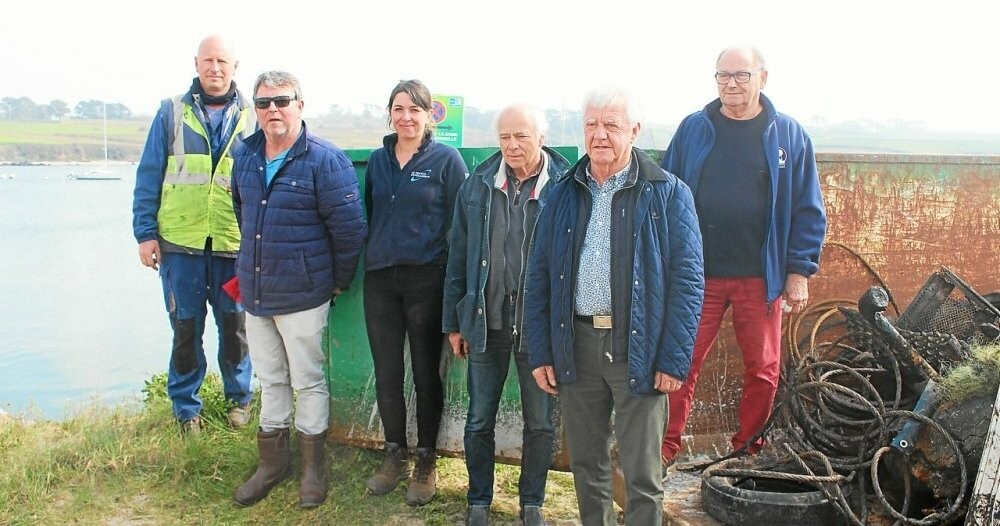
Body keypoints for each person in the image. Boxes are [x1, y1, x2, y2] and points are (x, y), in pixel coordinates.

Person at [525, 89, 704, 526]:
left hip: (638, 347)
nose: (599, 135)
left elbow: (688, 281)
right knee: (587, 465)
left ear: (635, 131)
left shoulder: (667, 193)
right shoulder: (563, 192)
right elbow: (540, 276)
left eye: (612, 125)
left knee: (643, 473)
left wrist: (673, 359)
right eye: (591, 125)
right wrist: (542, 351)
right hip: (577, 345)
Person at [659, 45, 827, 465]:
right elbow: (664, 195)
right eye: (723, 76)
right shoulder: (694, 129)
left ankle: (747, 449)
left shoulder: (788, 135)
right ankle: (664, 447)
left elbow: (808, 208)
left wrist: (798, 270)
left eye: (741, 75)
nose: (731, 84)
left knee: (764, 368)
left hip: (761, 276)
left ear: (763, 78)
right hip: (698, 275)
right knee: (680, 361)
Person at [230, 71, 367, 508]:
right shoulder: (246, 156)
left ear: (300, 105)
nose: (273, 110)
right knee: (269, 380)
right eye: (264, 103)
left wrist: (334, 282)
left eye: (282, 101)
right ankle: (272, 464)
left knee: (307, 382)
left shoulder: (326, 160)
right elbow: (242, 213)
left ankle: (313, 468)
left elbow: (350, 233)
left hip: (304, 296)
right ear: (256, 109)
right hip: (255, 294)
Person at [443, 104, 570, 526]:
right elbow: (458, 257)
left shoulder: (564, 186)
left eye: (522, 136)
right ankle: (478, 501)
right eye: (504, 137)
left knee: (540, 423)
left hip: (538, 330)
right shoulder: (477, 184)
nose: (512, 146)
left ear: (543, 135)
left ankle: (530, 503)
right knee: (479, 419)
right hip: (486, 322)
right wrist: (454, 322)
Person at [131, 34, 256, 434]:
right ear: (196, 64)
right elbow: (149, 175)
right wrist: (145, 234)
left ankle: (239, 400)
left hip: (232, 246)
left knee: (235, 329)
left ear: (235, 66)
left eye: (223, 61)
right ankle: (187, 408)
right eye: (208, 61)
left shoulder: (254, 116)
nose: (214, 68)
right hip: (179, 246)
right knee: (185, 328)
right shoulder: (170, 113)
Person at [363, 79, 468, 506]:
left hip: (427, 280)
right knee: (388, 371)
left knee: (426, 374)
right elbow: (371, 212)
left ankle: (426, 461)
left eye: (415, 109)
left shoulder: (446, 160)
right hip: (380, 280)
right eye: (398, 108)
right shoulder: (377, 160)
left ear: (429, 116)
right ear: (389, 113)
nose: (406, 117)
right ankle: (394, 455)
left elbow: (462, 224)